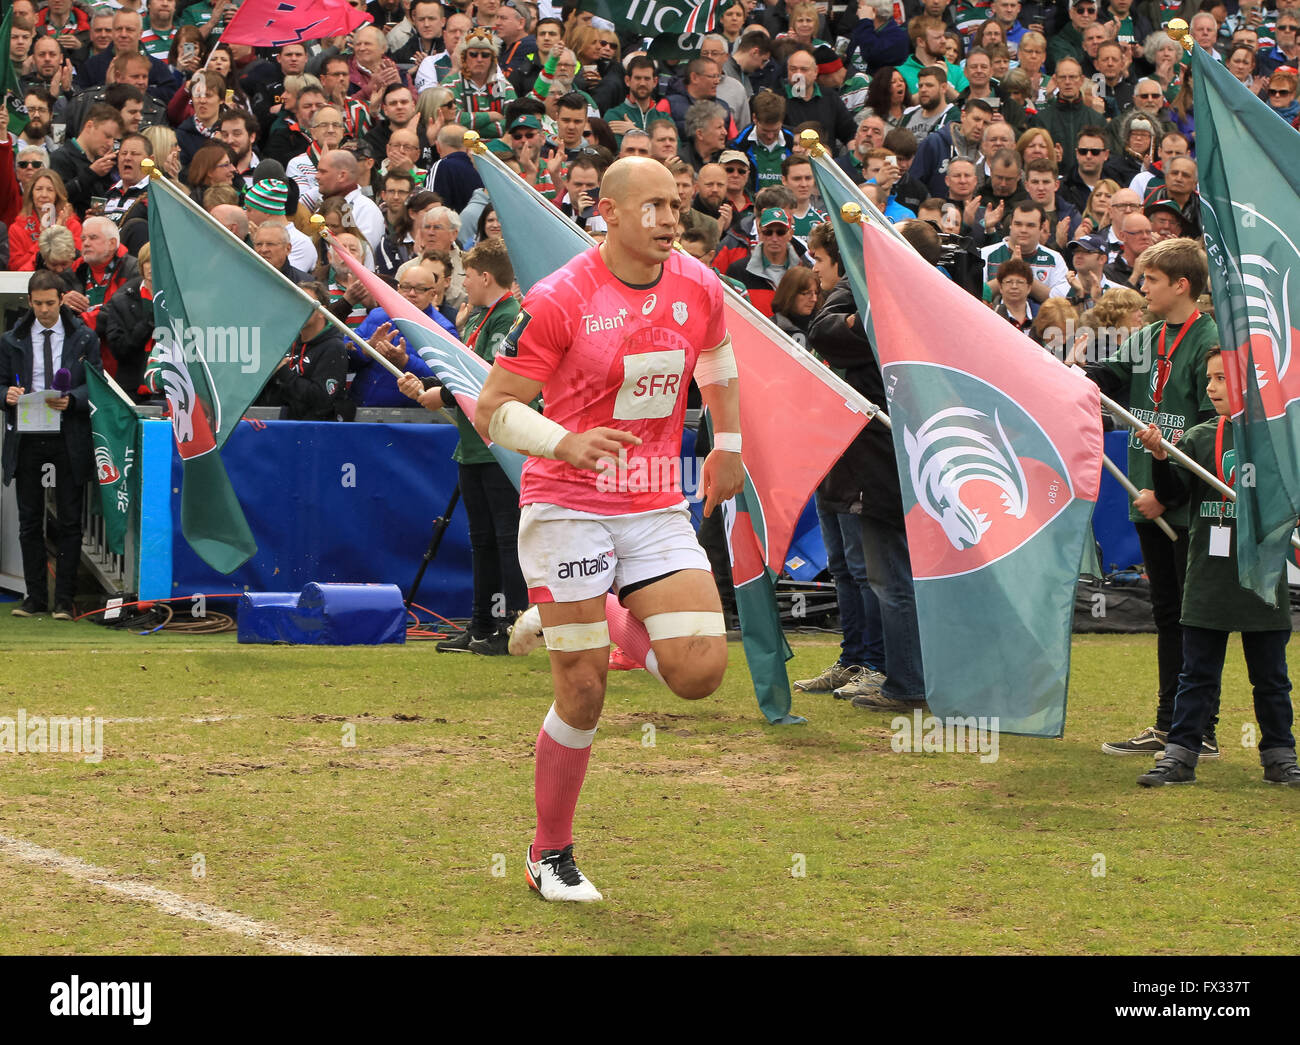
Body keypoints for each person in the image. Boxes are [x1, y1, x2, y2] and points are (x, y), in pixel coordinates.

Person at [473, 157, 743, 902]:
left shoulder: (697, 282)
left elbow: (717, 354)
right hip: (565, 500)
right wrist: (565, 441)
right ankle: (549, 852)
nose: (669, 220)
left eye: (675, 205)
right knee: (584, 689)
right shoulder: (560, 298)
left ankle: (599, 610)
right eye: (652, 206)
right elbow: (491, 406)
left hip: (653, 499)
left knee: (700, 673)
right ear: (610, 213)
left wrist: (729, 443)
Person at [1081, 237, 1221, 759]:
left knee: (1194, 614)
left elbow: (1213, 427)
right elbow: (1107, 378)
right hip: (1146, 492)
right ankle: (1172, 723)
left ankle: (1198, 727)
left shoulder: (1210, 340)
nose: (1142, 291)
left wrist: (1166, 493)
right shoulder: (1148, 337)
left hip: (1186, 500)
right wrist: (1070, 377)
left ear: (1180, 285)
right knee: (1167, 612)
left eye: (1152, 282)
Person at [1135, 351, 1300, 787]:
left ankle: (1280, 756)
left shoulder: (1278, 440)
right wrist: (1158, 457)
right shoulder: (1199, 437)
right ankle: (1180, 755)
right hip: (1208, 575)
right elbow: (1170, 495)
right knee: (1197, 675)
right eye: (1209, 378)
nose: (1211, 387)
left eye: (1222, 378)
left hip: (1261, 578)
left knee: (1271, 677)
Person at [0, 270, 100, 620]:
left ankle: (64, 600)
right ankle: (35, 598)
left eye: (49, 303)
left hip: (67, 435)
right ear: (29, 301)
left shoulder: (84, 338)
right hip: (26, 437)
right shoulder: (12, 339)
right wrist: (7, 395)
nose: (43, 309)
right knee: (29, 520)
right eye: (37, 303)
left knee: (70, 520)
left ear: (62, 300)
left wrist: (72, 399)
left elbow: (97, 386)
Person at [269, 281, 349, 421]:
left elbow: (321, 399)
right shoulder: (286, 341)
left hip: (314, 430)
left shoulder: (333, 347)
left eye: (304, 302)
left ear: (321, 312)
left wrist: (284, 373)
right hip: (280, 425)